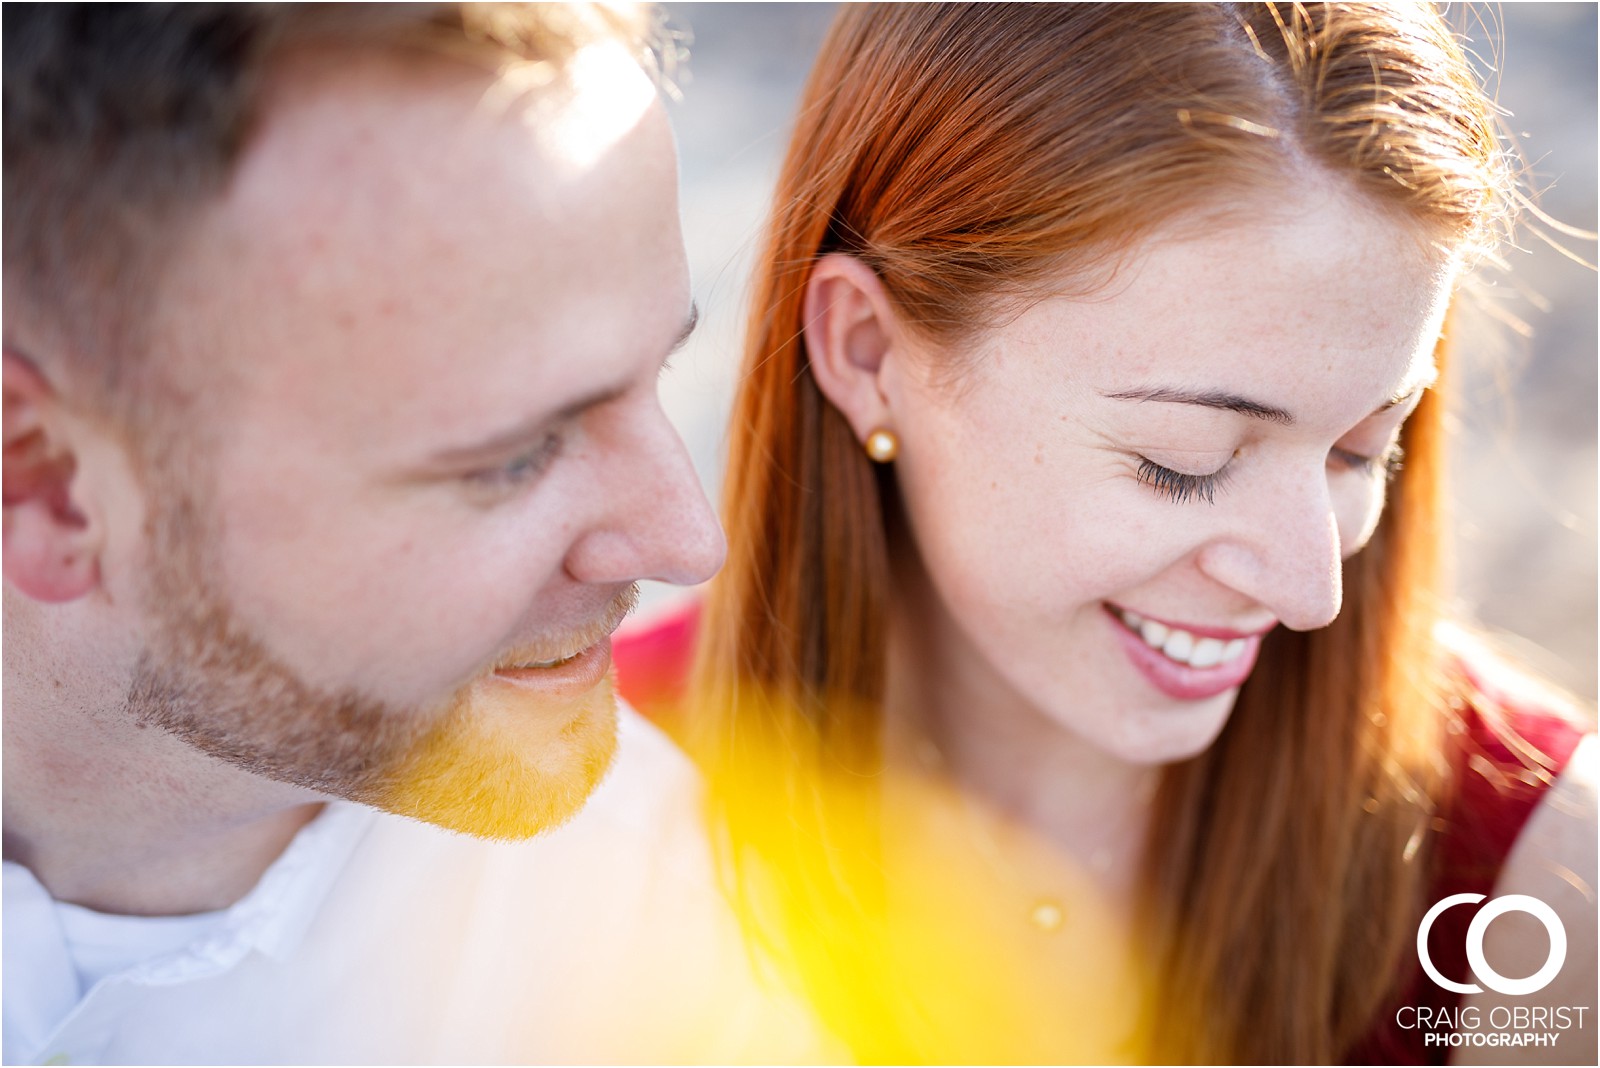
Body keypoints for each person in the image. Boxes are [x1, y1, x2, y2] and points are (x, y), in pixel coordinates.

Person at [614, 3, 1597, 1063]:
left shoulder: (1540, 883)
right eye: (1183, 461)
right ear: (865, 352)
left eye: (1362, 449)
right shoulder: (581, 809)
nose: (1311, 589)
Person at [2, 4, 820, 1063]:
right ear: (53, 484)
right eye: (511, 456)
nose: (686, 541)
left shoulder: (665, 948)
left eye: (653, 376)